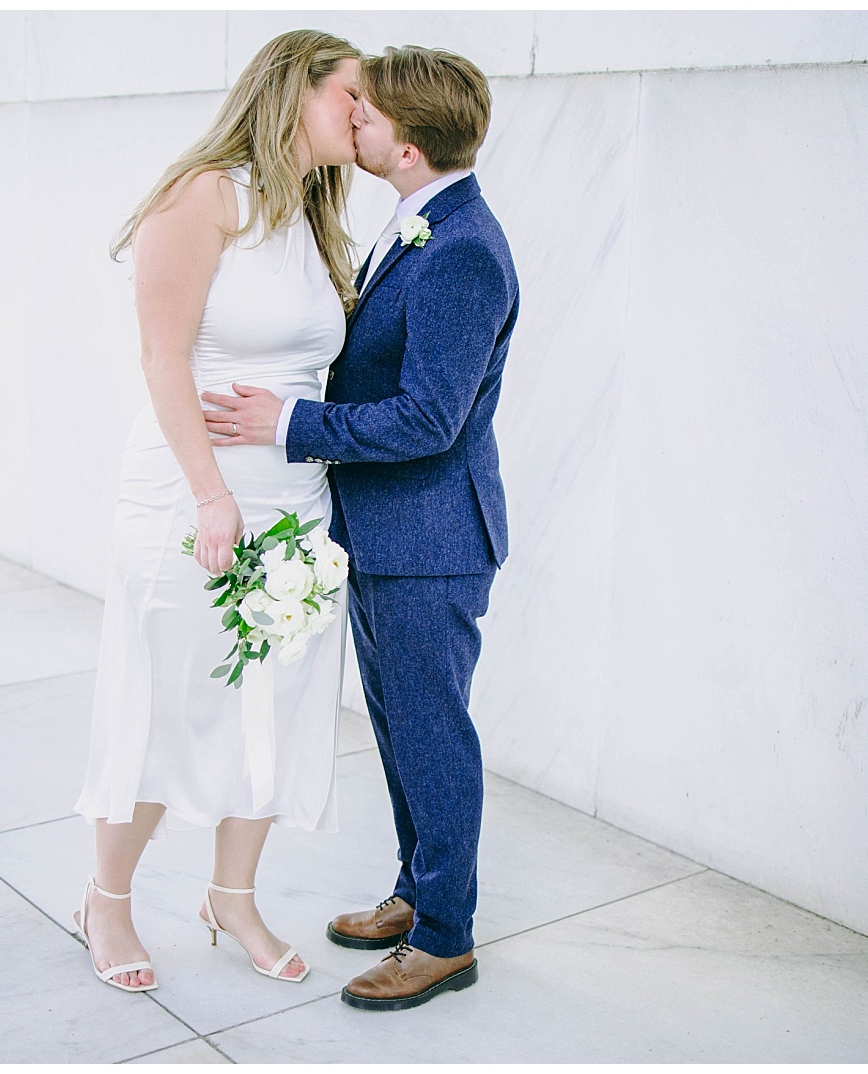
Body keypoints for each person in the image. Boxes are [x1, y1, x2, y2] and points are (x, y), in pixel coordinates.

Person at [202, 44, 518, 1011]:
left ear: (410, 148)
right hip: (388, 535)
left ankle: (444, 939)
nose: (354, 124)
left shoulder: (460, 249)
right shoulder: (418, 222)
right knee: (399, 728)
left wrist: (291, 426)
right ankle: (416, 890)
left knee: (432, 734)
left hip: (430, 542)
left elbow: (431, 417)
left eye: (368, 116)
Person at [71, 28, 362, 993]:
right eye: (347, 100)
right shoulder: (204, 195)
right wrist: (211, 497)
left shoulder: (318, 212)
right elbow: (162, 357)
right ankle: (104, 902)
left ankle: (230, 897)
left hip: (293, 502)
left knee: (269, 712)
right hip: (193, 496)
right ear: (291, 94)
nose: (361, 118)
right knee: (168, 706)